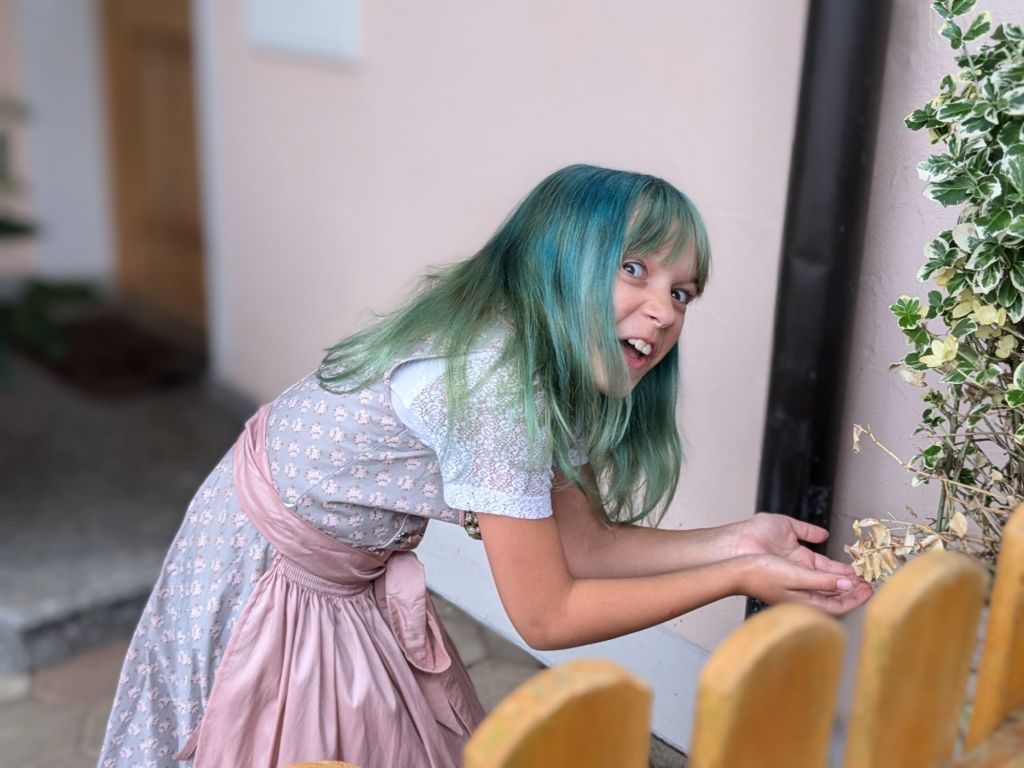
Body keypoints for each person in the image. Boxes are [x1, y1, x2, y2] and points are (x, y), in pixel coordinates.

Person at [98, 164, 871, 768]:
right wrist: (736, 578)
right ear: (560, 260)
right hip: (266, 569)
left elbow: (587, 546)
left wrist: (738, 541)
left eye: (683, 292)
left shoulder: (543, 363)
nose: (665, 310)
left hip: (335, 565)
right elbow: (547, 614)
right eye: (635, 268)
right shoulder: (496, 390)